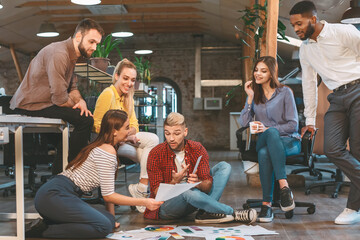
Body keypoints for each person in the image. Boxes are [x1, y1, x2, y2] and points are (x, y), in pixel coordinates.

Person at [25, 110, 163, 239]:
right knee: (103, 226)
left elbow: (109, 193)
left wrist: (112, 220)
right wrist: (144, 201)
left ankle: (53, 220)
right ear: (115, 131)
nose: (130, 131)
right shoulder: (108, 152)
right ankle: (43, 230)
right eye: (127, 128)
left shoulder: (104, 145)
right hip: (54, 195)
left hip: (60, 194)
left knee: (108, 220)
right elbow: (108, 195)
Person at [289, 1, 360, 225]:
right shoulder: (305, 49)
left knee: (358, 152)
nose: (296, 29)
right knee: (332, 149)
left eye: (299, 23)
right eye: (293, 25)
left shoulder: (344, 31)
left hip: (358, 89)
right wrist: (310, 120)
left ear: (313, 18)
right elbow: (308, 85)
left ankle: (353, 208)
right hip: (336, 98)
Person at [9, 18, 103, 173]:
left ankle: (58, 178)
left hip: (46, 102)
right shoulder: (59, 54)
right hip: (30, 104)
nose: (94, 47)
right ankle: (74, 172)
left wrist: (81, 102)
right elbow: (59, 98)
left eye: (97, 44)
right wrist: (77, 106)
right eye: (91, 42)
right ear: (78, 37)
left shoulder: (72, 56)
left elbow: (72, 88)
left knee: (67, 139)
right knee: (85, 120)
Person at [144, 112, 257, 224]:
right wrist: (174, 182)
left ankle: (205, 212)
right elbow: (157, 192)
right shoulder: (156, 153)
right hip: (166, 207)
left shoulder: (197, 148)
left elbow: (207, 185)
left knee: (224, 166)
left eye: (176, 133)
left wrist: (197, 182)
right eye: (167, 133)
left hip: (194, 198)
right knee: (185, 188)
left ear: (185, 132)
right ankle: (233, 213)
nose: (171, 138)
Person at [239, 56, 301, 223]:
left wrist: (269, 129)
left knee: (266, 151)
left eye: (263, 71)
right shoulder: (255, 95)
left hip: (288, 141)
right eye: (256, 70)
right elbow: (244, 123)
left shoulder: (285, 92)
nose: (258, 73)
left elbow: (293, 125)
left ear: (271, 73)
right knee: (271, 134)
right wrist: (250, 97)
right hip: (264, 139)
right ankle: (284, 187)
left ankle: (266, 205)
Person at [93, 58, 159, 213]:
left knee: (153, 140)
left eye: (133, 80)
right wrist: (121, 136)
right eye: (125, 78)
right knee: (146, 154)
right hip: (110, 143)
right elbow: (96, 126)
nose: (129, 83)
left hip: (124, 140)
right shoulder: (108, 94)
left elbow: (135, 124)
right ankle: (142, 191)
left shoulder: (128, 97)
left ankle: (141, 187)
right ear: (116, 76)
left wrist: (129, 135)